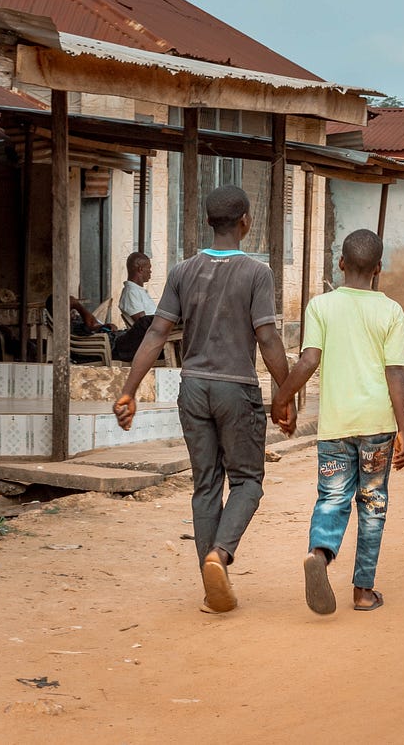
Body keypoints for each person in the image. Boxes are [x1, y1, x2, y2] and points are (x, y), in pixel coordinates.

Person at [114, 185, 295, 614]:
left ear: (207, 222)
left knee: (205, 486)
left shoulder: (182, 271)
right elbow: (267, 337)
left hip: (192, 387)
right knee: (248, 481)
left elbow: (156, 332)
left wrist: (129, 390)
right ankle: (220, 556)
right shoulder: (257, 273)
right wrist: (285, 395)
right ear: (246, 221)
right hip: (236, 389)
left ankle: (212, 583)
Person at [271, 229, 404, 615]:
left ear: (341, 263)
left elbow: (309, 360)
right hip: (378, 426)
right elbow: (396, 371)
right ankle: (363, 591)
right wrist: (403, 429)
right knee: (372, 503)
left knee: (332, 497)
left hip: (335, 426)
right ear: (379, 269)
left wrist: (281, 397)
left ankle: (320, 553)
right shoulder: (391, 311)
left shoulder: (321, 306)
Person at [112, 252, 156, 361]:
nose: (150, 271)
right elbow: (143, 324)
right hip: (148, 340)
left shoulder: (138, 290)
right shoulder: (131, 292)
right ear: (141, 269)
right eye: (149, 268)